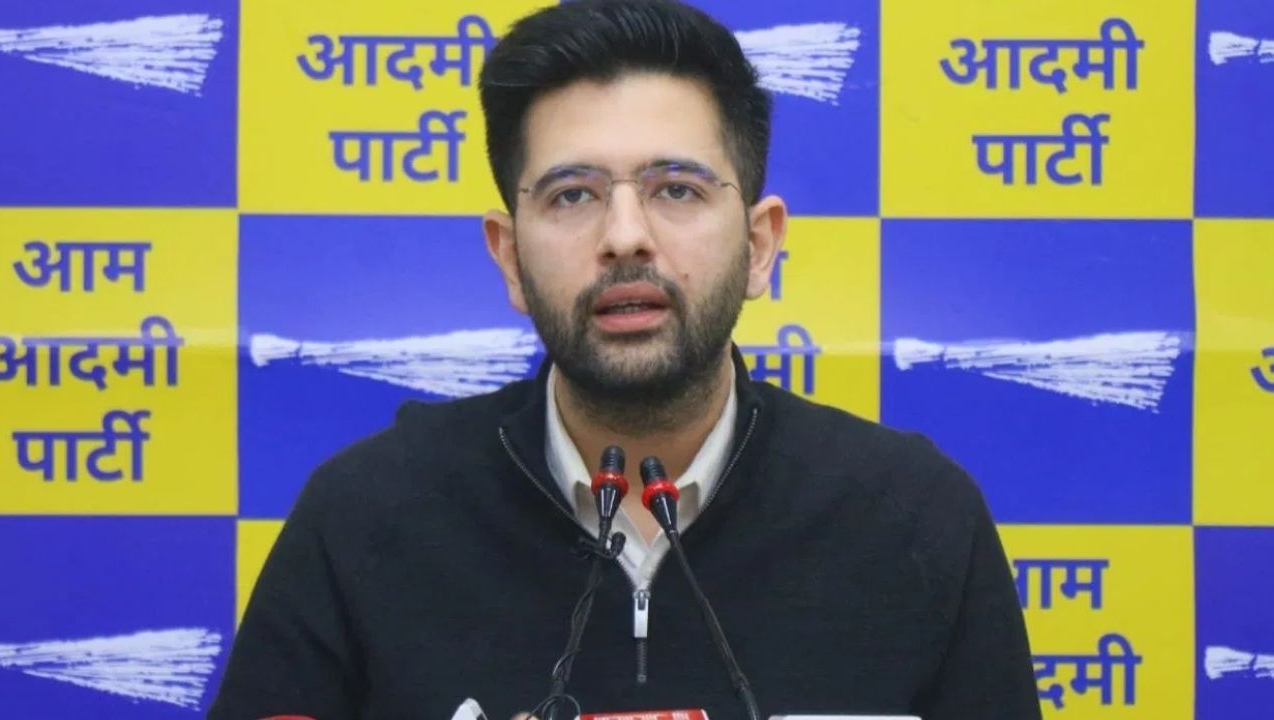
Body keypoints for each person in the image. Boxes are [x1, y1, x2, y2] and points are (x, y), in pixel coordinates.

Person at [208, 1, 1042, 718]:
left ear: (759, 246)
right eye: (572, 195)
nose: (625, 236)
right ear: (509, 257)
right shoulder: (363, 517)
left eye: (677, 188)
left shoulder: (915, 519)